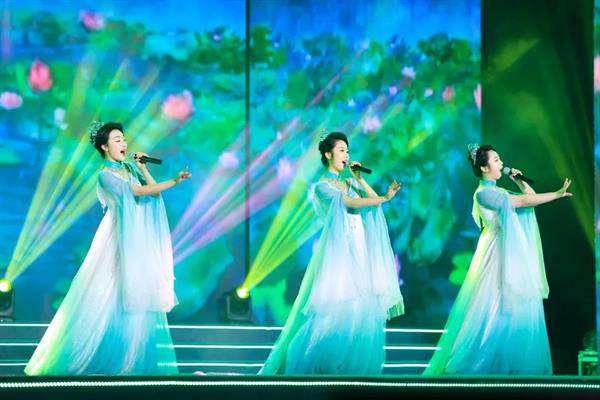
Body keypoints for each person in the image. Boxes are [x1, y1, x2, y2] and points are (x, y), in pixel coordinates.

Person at [25, 121, 191, 375]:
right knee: (108, 295)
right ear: (104, 147)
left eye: (123, 138)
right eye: (117, 140)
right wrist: (174, 181)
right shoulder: (105, 176)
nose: (123, 143)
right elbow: (139, 192)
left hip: (136, 244)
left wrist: (143, 168)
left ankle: (133, 362)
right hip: (117, 242)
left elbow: (153, 194)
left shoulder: (129, 169)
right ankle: (97, 359)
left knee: (138, 299)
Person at [259, 131, 405, 375]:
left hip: (360, 249)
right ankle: (315, 363)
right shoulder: (322, 187)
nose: (346, 155)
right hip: (340, 252)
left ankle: (350, 366)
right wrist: (384, 197)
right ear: (328, 154)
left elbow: (372, 202)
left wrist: (360, 180)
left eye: (348, 151)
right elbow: (349, 203)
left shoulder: (350, 183)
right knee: (338, 305)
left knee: (361, 307)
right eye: (341, 151)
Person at [424, 144, 572, 375]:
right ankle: (478, 365)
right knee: (494, 306)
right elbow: (522, 203)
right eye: (496, 160)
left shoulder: (500, 191)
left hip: (511, 254)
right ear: (484, 167)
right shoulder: (483, 194)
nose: (501, 163)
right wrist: (556, 194)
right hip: (496, 256)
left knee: (515, 308)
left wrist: (519, 181)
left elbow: (528, 198)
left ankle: (511, 365)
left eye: (499, 158)